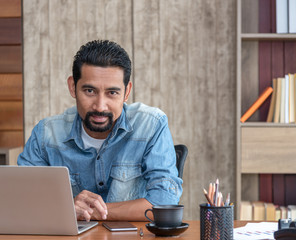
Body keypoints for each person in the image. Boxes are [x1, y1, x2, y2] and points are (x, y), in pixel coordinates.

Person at [17, 40, 183, 221]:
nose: (100, 106)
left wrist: (87, 212)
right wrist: (68, 207)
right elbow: (22, 202)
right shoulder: (46, 135)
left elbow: (165, 201)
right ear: (73, 87)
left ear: (127, 92)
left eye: (112, 93)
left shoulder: (151, 125)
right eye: (90, 90)